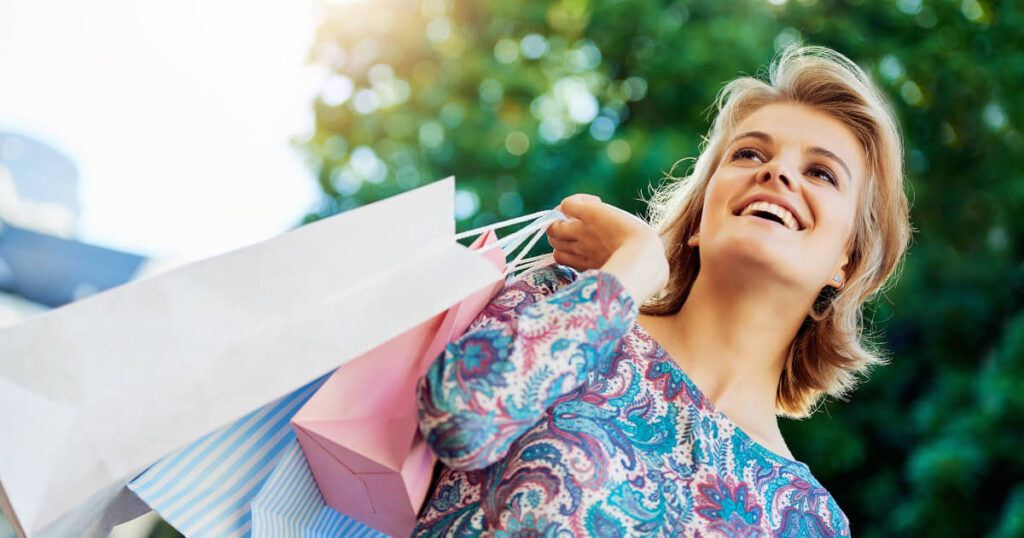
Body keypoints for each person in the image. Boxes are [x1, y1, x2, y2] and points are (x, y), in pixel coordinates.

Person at [413, 44, 910, 536]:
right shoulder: (563, 300)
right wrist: (637, 264)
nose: (776, 172)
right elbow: (457, 416)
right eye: (749, 153)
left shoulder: (809, 522)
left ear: (847, 261)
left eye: (820, 172)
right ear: (699, 219)